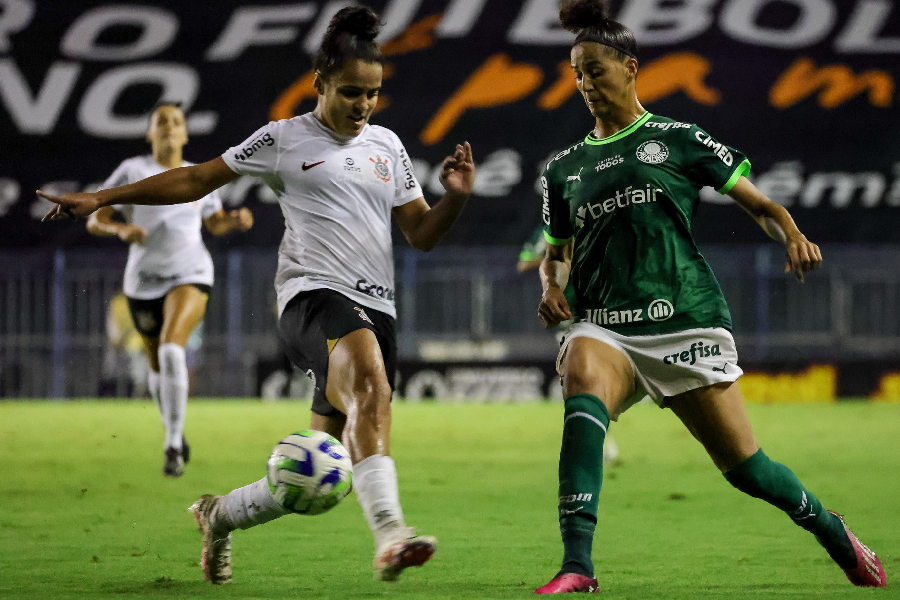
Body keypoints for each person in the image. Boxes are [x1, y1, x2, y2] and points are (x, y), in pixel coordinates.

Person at [40, 6, 475, 585]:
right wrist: (101, 198)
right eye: (350, 92)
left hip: (376, 307)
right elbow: (197, 179)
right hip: (310, 298)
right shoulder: (282, 138)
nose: (362, 105)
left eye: (372, 94)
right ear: (319, 84)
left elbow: (420, 234)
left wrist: (456, 200)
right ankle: (392, 534)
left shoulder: (388, 147)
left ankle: (217, 516)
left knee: (317, 471)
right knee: (370, 381)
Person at [532, 0, 885, 593]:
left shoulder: (677, 138)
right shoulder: (564, 169)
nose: (585, 83)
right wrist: (550, 288)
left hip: (685, 320)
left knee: (747, 471)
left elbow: (762, 206)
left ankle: (831, 529)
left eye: (595, 70)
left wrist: (792, 235)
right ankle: (577, 566)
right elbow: (557, 252)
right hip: (605, 324)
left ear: (629, 67)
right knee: (583, 394)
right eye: (576, 74)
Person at [86, 103, 254, 477]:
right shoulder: (134, 170)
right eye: (161, 122)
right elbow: (96, 218)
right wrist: (120, 230)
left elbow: (214, 224)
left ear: (185, 134)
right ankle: (174, 432)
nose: (168, 128)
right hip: (143, 282)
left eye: (176, 122)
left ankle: (173, 445)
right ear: (149, 133)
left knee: (171, 347)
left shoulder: (196, 176)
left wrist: (233, 220)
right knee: (156, 366)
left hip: (190, 273)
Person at [518, 225, 619, 463]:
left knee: (598, 378)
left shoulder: (598, 219)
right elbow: (523, 263)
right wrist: (558, 256)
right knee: (584, 379)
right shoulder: (550, 230)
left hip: (602, 311)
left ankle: (597, 436)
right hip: (568, 316)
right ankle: (598, 441)